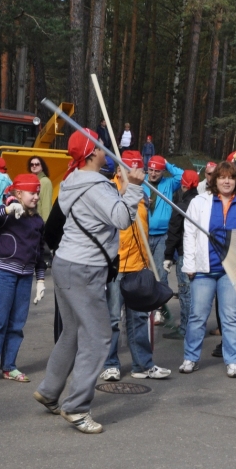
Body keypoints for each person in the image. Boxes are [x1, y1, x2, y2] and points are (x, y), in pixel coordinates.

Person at [35, 129, 145, 434]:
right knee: (98, 339)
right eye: (101, 147)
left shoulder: (72, 180)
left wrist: (123, 188)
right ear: (91, 152)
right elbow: (122, 219)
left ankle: (49, 390)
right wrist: (133, 187)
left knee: (71, 332)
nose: (107, 151)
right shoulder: (96, 186)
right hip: (85, 268)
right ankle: (76, 407)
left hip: (68, 264)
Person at [179, 162, 236, 378]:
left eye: (231, 178)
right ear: (214, 180)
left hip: (231, 271)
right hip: (204, 269)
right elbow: (189, 233)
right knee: (197, 316)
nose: (226, 181)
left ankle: (233, 360)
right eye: (222, 177)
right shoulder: (199, 202)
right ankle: (190, 357)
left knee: (231, 317)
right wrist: (189, 264)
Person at [100, 151, 172, 382]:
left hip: (138, 266)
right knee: (111, 318)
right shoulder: (106, 192)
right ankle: (110, 363)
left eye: (138, 170)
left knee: (139, 318)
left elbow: (144, 231)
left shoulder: (142, 195)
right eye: (129, 169)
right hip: (114, 267)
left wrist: (148, 264)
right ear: (119, 170)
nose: (134, 175)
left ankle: (142, 365)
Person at [0, 174, 47, 385]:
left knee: (16, 324)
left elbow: (39, 253)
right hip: (4, 274)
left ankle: (9, 366)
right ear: (17, 193)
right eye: (32, 193)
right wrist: (6, 209)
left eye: (37, 193)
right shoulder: (7, 214)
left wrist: (40, 280)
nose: (36, 197)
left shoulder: (37, 221)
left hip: (25, 277)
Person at [163, 170, 200, 341]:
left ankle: (186, 329)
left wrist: (168, 255)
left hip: (186, 252)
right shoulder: (201, 202)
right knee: (197, 293)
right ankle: (196, 326)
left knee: (185, 292)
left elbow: (174, 231)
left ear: (184, 185)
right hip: (200, 253)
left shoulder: (181, 206)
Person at [144, 154, 185, 296]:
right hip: (144, 233)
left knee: (160, 273)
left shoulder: (169, 183)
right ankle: (144, 305)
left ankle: (160, 308)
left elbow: (182, 176)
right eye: (150, 170)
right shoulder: (141, 182)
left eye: (157, 171)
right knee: (141, 272)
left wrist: (167, 164)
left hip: (163, 235)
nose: (153, 173)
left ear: (163, 172)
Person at [28, 156, 54, 221]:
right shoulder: (30, 180)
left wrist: (45, 223)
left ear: (42, 166)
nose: (34, 166)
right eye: (32, 164)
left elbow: (46, 205)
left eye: (37, 164)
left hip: (39, 220)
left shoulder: (45, 181)